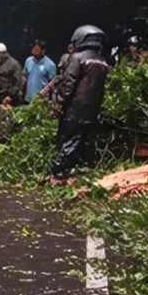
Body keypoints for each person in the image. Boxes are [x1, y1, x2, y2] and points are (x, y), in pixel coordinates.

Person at [49, 25, 110, 186]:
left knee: (66, 141)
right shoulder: (103, 62)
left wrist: (58, 103)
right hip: (92, 110)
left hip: (74, 109)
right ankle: (76, 173)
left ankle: (57, 174)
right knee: (83, 143)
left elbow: (68, 85)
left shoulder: (77, 59)